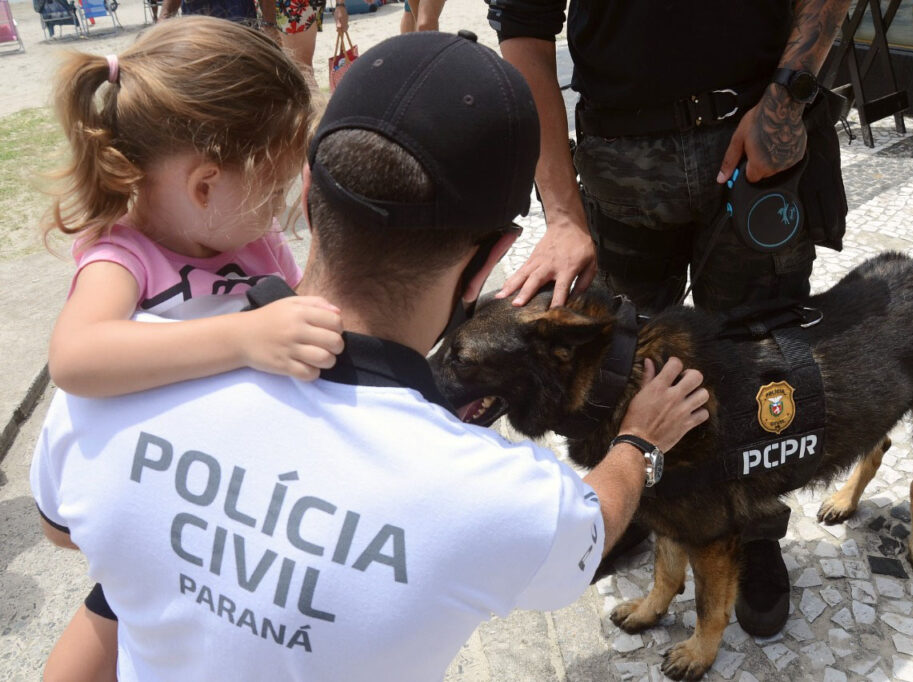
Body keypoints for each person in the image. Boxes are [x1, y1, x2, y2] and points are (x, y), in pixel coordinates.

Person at [31, 31, 709, 681]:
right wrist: (641, 443)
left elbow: (66, 532)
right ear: (490, 262)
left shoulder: (103, 396)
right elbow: (592, 526)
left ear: (306, 194)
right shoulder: (498, 497)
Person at [486, 0, 850, 638]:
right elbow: (523, 24)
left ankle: (755, 525)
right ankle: (644, 512)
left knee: (760, 359)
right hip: (621, 159)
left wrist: (789, 97)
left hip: (759, 133)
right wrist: (563, 213)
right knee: (625, 366)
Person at [39, 16, 344, 681]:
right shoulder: (122, 258)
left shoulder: (247, 239)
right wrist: (240, 339)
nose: (280, 210)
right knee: (106, 626)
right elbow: (75, 358)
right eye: (274, 191)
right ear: (205, 186)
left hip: (231, 497)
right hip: (156, 505)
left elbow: (295, 319)